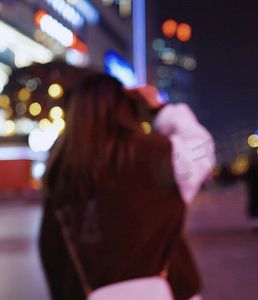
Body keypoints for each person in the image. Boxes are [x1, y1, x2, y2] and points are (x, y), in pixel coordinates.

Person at [38, 73, 215, 300]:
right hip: (170, 291)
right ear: (125, 107)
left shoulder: (61, 173)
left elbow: (53, 256)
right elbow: (201, 149)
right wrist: (160, 109)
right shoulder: (156, 154)